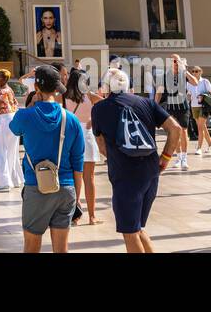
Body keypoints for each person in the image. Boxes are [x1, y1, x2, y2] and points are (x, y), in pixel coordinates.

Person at [90, 68, 182, 253]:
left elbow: (102, 148)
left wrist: (119, 157)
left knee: (130, 232)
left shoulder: (99, 109)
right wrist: (165, 157)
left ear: (106, 87)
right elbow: (176, 128)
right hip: (150, 173)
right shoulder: (147, 103)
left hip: (125, 177)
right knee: (138, 228)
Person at [11, 66, 85, 253]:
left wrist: (30, 105)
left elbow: (14, 128)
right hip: (66, 188)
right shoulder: (72, 119)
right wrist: (77, 198)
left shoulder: (25, 116)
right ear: (56, 88)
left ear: (36, 87)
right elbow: (78, 163)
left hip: (36, 187)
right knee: (61, 249)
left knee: (31, 245)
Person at [60, 67, 101, 224]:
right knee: (89, 179)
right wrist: (93, 119)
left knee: (72, 178)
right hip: (87, 137)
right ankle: (92, 216)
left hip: (71, 137)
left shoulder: (63, 97)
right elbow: (107, 104)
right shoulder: (89, 96)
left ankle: (74, 216)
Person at [157, 54, 192, 170]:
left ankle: (185, 158)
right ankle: (178, 157)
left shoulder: (183, 74)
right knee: (175, 132)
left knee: (183, 132)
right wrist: (154, 106)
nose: (176, 63)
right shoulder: (164, 76)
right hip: (171, 107)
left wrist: (185, 71)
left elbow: (195, 82)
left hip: (183, 107)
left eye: (177, 61)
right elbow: (159, 92)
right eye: (173, 61)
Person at [0, 69, 22, 191]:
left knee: (0, 151)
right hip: (12, 119)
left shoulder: (1, 91)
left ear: (5, 79)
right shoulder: (9, 90)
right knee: (12, 152)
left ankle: (4, 182)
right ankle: (15, 179)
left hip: (3, 121)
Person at [187, 66, 211, 155]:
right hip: (194, 106)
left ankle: (199, 148)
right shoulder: (189, 83)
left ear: (201, 72)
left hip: (204, 107)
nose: (194, 73)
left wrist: (205, 97)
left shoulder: (205, 81)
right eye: (193, 71)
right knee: (202, 127)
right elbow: (189, 95)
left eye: (196, 71)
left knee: (200, 127)